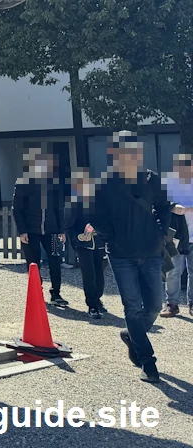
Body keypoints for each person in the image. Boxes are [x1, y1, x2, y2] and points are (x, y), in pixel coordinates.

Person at [93, 132, 172, 383]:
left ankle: (131, 336)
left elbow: (164, 206)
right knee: (132, 307)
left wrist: (160, 233)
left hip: (151, 252)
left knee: (154, 307)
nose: (134, 155)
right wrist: (112, 238)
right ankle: (148, 362)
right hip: (121, 255)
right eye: (128, 151)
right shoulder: (105, 183)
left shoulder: (151, 179)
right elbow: (96, 216)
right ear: (115, 154)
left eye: (137, 151)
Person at [14, 149, 69, 307]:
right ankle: (36, 293)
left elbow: (59, 207)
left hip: (51, 231)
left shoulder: (53, 183)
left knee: (55, 259)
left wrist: (61, 230)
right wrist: (22, 230)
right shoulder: (23, 183)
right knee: (33, 262)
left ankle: (56, 293)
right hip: (30, 231)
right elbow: (17, 209)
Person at [68, 168, 106, 319]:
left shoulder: (101, 201)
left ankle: (97, 298)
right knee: (89, 274)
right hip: (84, 245)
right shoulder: (74, 203)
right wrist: (78, 237)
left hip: (100, 243)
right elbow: (69, 226)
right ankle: (92, 305)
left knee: (100, 275)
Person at [160, 154, 193, 317]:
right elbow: (159, 206)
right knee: (173, 270)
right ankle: (172, 303)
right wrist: (172, 208)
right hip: (175, 235)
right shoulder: (168, 185)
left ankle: (192, 303)